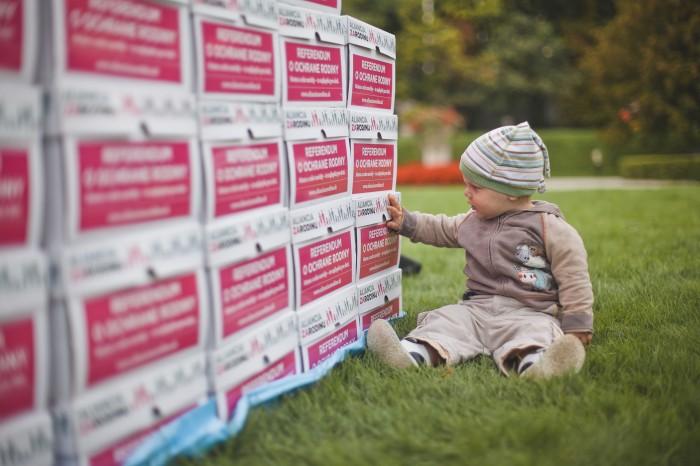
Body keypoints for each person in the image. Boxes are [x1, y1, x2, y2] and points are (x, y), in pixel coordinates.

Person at [367, 122, 593, 379]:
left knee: (536, 334)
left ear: (509, 190)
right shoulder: (473, 221)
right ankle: (409, 354)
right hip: (477, 310)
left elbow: (574, 276)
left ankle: (538, 366)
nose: (466, 193)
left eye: (475, 187)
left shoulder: (550, 228)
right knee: (448, 321)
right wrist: (407, 222)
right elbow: (440, 228)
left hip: (530, 313)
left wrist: (578, 322)